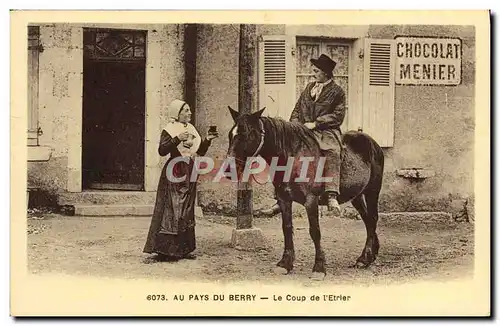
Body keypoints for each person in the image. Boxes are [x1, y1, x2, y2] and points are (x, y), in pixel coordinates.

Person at [260, 54, 346, 216]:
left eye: (316, 71)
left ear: (326, 73)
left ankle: (331, 194)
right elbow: (297, 109)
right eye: (313, 70)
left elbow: (338, 115)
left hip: (326, 130)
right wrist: (294, 126)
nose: (313, 73)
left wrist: (316, 123)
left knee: (332, 151)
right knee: (283, 152)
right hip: (302, 129)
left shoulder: (337, 92)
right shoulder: (308, 88)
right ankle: (281, 198)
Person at [143, 99, 218, 261]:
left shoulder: (191, 128)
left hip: (189, 169)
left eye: (189, 110)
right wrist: (177, 138)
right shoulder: (169, 129)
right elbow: (162, 150)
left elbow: (200, 151)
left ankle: (183, 249)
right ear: (177, 113)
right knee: (173, 208)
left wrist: (207, 139)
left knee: (186, 208)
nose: (189, 113)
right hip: (175, 170)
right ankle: (166, 250)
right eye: (186, 110)